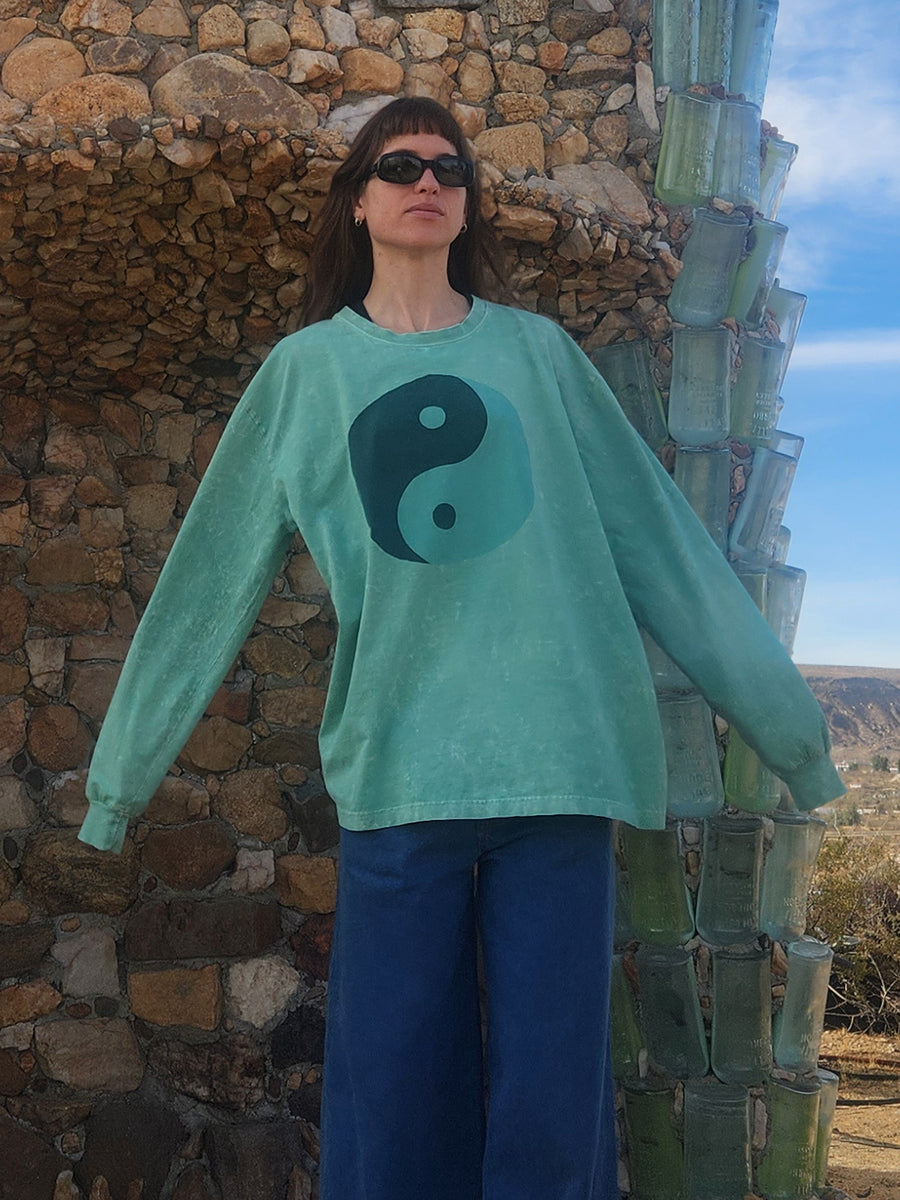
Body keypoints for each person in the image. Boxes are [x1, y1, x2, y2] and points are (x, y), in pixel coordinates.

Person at [79, 97, 844, 1199]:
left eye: (449, 167)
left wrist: (794, 740)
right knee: (390, 1106)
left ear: (467, 201)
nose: (426, 180)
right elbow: (206, 583)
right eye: (398, 165)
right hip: (402, 771)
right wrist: (120, 783)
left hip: (562, 765)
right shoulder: (305, 376)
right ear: (359, 198)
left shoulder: (537, 356)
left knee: (551, 1108)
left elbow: (664, 547)